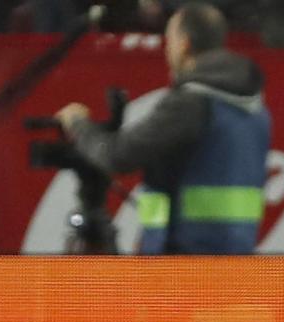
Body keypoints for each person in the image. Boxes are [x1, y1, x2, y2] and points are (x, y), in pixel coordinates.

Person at [56, 1, 271, 254]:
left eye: (170, 40)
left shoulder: (192, 103)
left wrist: (79, 125)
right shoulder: (255, 107)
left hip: (187, 261)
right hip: (235, 256)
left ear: (184, 44)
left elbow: (118, 155)